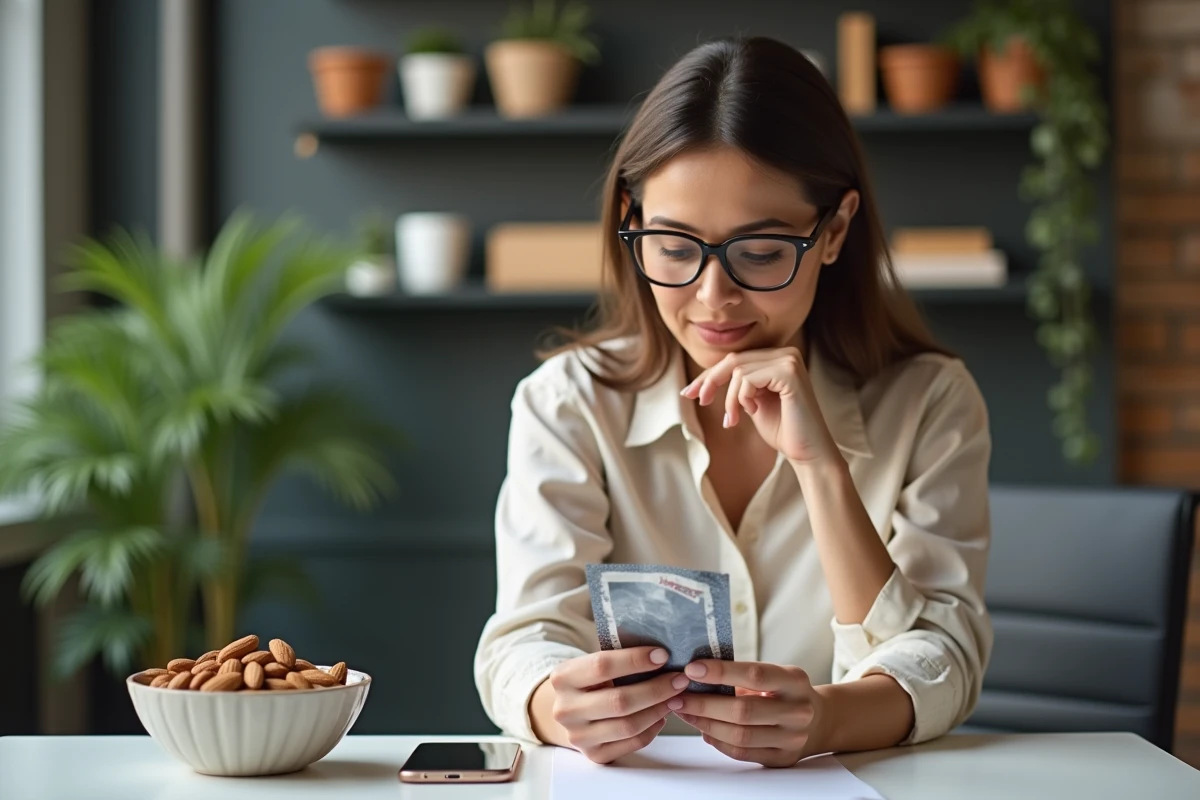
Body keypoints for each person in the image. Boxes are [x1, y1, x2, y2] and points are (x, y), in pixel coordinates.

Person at [474, 36, 992, 768]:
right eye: (675, 247)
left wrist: (821, 470)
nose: (713, 298)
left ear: (835, 230)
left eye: (759, 251)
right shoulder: (569, 403)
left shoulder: (931, 402)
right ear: (632, 218)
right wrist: (558, 707)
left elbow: (943, 658)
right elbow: (523, 642)